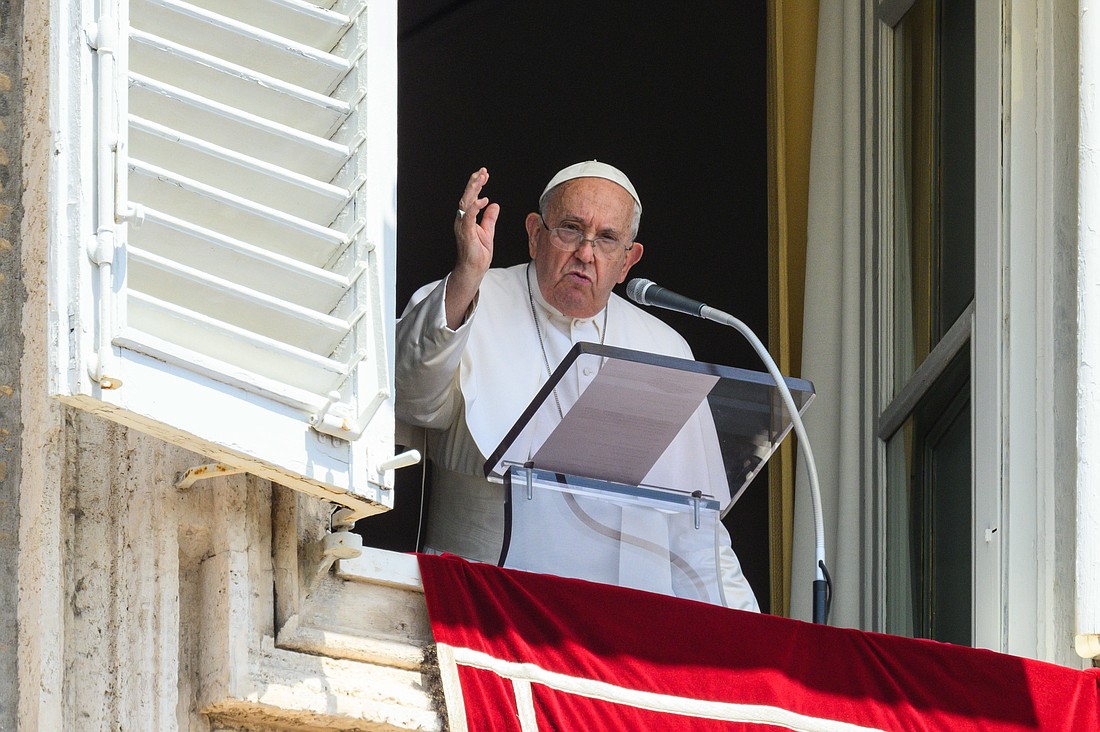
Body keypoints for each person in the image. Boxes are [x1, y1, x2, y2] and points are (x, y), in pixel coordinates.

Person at [395, 161, 759, 611]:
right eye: (570, 229)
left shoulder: (665, 346)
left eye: (607, 238)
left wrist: (749, 627)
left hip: (617, 620)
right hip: (482, 600)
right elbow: (412, 400)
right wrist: (467, 275)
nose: (586, 252)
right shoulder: (467, 300)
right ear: (534, 234)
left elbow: (695, 519)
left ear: (628, 260)